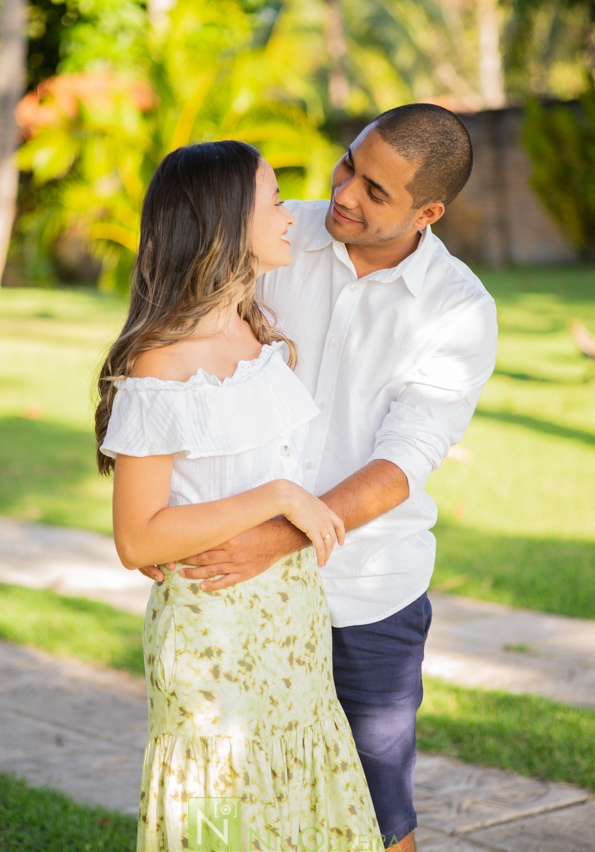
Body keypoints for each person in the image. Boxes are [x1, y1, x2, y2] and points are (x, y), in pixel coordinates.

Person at [144, 104, 499, 852]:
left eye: (376, 191)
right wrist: (162, 510)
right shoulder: (272, 234)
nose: (343, 193)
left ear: (426, 212)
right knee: (230, 803)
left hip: (364, 590)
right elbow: (172, 345)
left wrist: (272, 537)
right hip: (238, 594)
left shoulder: (458, 309)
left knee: (372, 813)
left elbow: (402, 463)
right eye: (348, 164)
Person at [94, 141, 380, 852]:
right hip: (213, 644)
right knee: (221, 827)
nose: (291, 216)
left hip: (292, 632)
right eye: (275, 200)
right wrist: (278, 496)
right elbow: (137, 537)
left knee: (295, 816)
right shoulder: (162, 360)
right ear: (224, 221)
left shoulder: (253, 327)